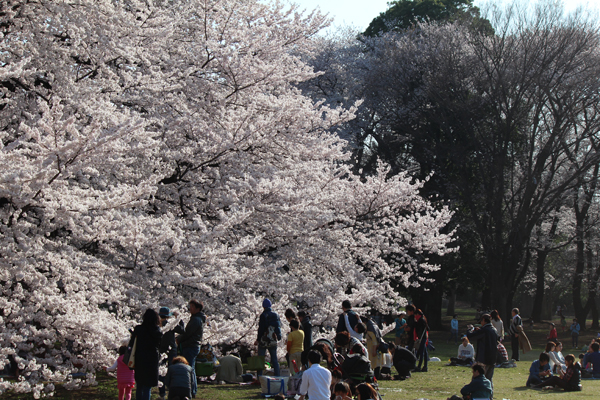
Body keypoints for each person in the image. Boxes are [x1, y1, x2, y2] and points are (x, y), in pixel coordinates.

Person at [129, 309, 163, 400]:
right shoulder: (157, 331)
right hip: (152, 359)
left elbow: (132, 343)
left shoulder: (139, 329)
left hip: (140, 357)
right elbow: (160, 345)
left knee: (139, 384)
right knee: (147, 386)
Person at [175, 299, 205, 395]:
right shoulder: (196, 318)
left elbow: (187, 333)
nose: (190, 308)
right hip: (192, 345)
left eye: (192, 306)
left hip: (190, 346)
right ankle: (192, 390)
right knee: (191, 368)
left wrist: (178, 339)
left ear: (197, 308)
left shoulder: (196, 320)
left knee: (189, 368)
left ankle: (191, 390)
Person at [466, 313, 498, 388]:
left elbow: (471, 336)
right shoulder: (494, 330)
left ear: (484, 320)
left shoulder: (484, 330)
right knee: (489, 380)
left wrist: (470, 329)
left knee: (477, 379)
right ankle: (489, 396)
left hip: (483, 359)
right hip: (493, 359)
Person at [158, 307, 183, 400]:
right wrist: (178, 319)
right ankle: (172, 392)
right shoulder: (170, 324)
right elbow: (182, 330)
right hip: (171, 349)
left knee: (161, 371)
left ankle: (162, 393)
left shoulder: (157, 324)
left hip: (161, 350)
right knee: (173, 370)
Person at [256, 298, 282, 377]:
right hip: (273, 339)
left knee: (261, 359)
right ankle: (277, 376)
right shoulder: (276, 315)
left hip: (264, 340)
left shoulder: (263, 315)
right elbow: (278, 327)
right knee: (274, 359)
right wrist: (279, 336)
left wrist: (258, 339)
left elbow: (261, 329)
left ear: (263, 306)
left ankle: (260, 377)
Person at [405, 305, 429, 372]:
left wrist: (415, 323)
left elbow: (418, 328)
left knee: (421, 352)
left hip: (421, 337)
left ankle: (419, 367)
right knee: (424, 352)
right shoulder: (422, 319)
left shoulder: (420, 320)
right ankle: (424, 367)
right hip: (422, 337)